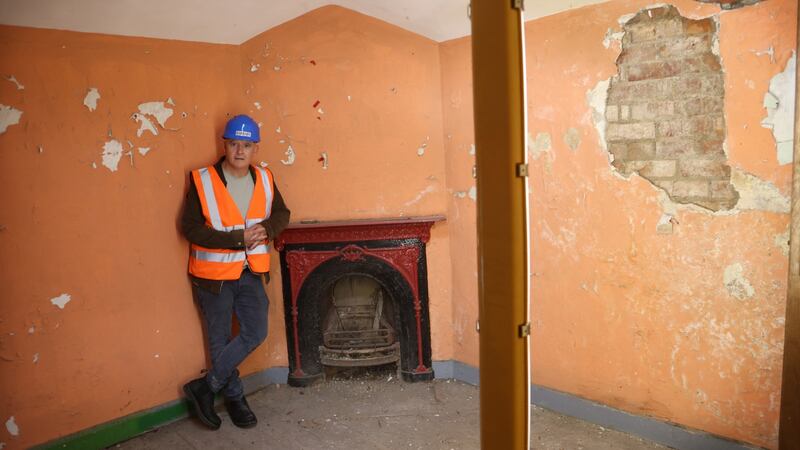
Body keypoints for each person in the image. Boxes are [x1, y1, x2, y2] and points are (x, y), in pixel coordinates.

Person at [180, 114, 290, 429]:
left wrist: (268, 228)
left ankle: (205, 386)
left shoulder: (266, 178)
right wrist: (235, 239)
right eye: (233, 144)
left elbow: (282, 213)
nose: (239, 151)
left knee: (255, 332)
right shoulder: (203, 180)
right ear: (225, 145)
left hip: (251, 272)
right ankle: (235, 397)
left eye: (246, 145)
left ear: (255, 148)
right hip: (212, 277)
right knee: (220, 338)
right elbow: (188, 228)